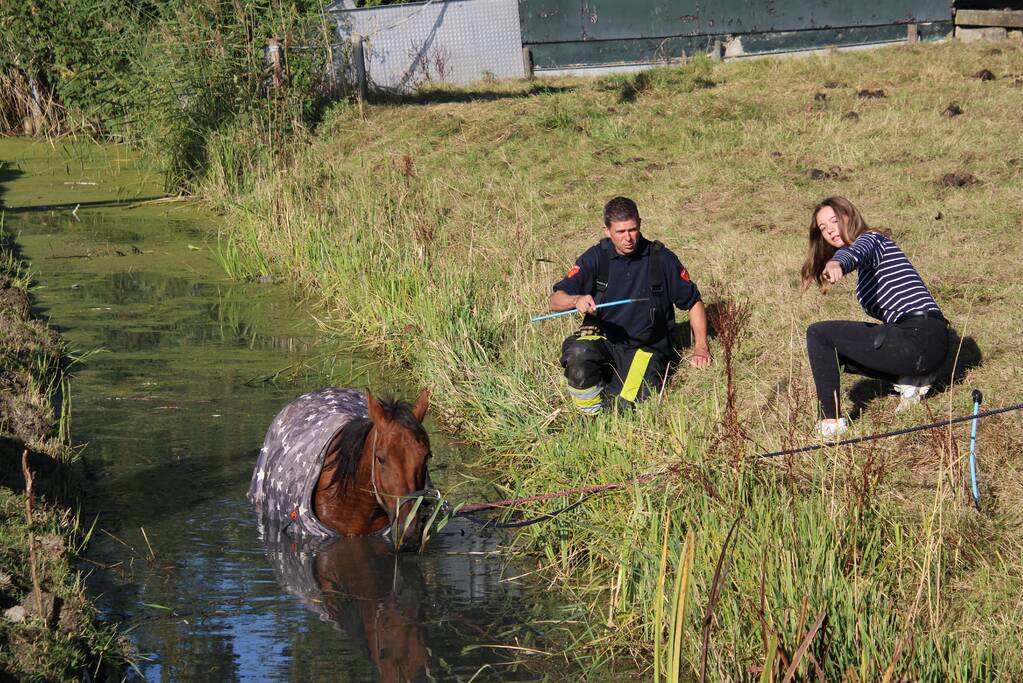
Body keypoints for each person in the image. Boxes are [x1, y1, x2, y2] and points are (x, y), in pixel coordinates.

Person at [801, 196, 949, 437]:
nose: (829, 231)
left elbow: (857, 251)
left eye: (834, 221)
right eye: (823, 228)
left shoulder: (873, 239)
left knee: (819, 334)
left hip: (920, 335)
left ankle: (830, 422)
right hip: (924, 344)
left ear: (849, 216)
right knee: (834, 354)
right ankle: (911, 379)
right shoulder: (868, 266)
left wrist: (838, 262)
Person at [549, 196, 711, 414]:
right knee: (577, 355)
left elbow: (693, 302)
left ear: (640, 224)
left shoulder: (661, 258)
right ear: (606, 230)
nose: (628, 238)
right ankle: (589, 416)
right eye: (620, 232)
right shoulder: (596, 257)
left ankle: (608, 411)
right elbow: (555, 300)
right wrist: (575, 300)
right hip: (605, 342)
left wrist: (701, 346)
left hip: (645, 349)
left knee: (625, 406)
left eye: (632, 230)